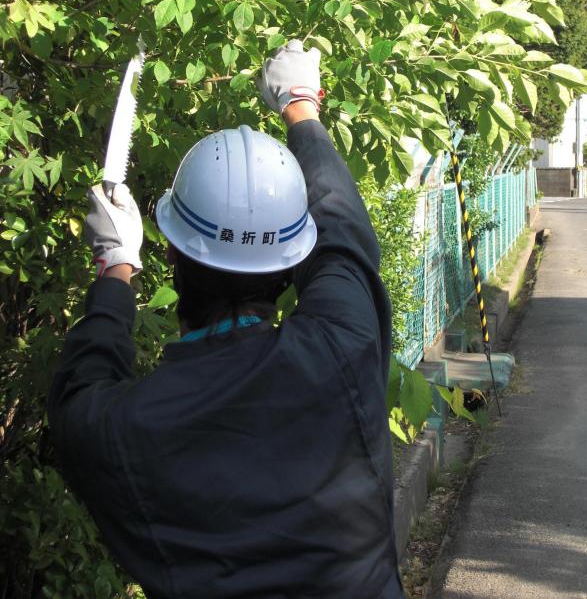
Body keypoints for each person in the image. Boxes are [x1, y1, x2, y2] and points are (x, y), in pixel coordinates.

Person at [48, 41, 404, 599]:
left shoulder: (126, 429)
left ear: (171, 254)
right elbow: (342, 232)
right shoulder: (342, 347)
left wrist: (116, 265)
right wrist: (299, 104)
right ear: (292, 265)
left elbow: (79, 388)